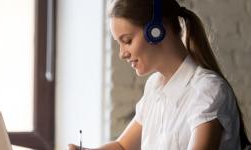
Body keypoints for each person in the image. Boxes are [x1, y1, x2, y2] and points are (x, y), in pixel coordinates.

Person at [68, 0, 251, 149]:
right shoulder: (155, 86)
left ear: (156, 30)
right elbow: (122, 146)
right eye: (119, 43)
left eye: (127, 41)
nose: (122, 53)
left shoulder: (207, 91)